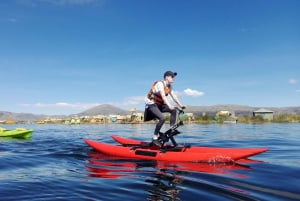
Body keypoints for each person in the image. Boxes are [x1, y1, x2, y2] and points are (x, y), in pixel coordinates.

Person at [144, 71, 186, 145]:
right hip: (151, 104)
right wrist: (169, 105)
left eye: (174, 77)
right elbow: (163, 96)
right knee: (162, 118)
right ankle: (154, 137)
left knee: (173, 111)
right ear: (166, 77)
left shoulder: (169, 86)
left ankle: (172, 128)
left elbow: (174, 97)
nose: (173, 78)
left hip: (159, 105)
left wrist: (181, 105)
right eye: (172, 77)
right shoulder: (160, 84)